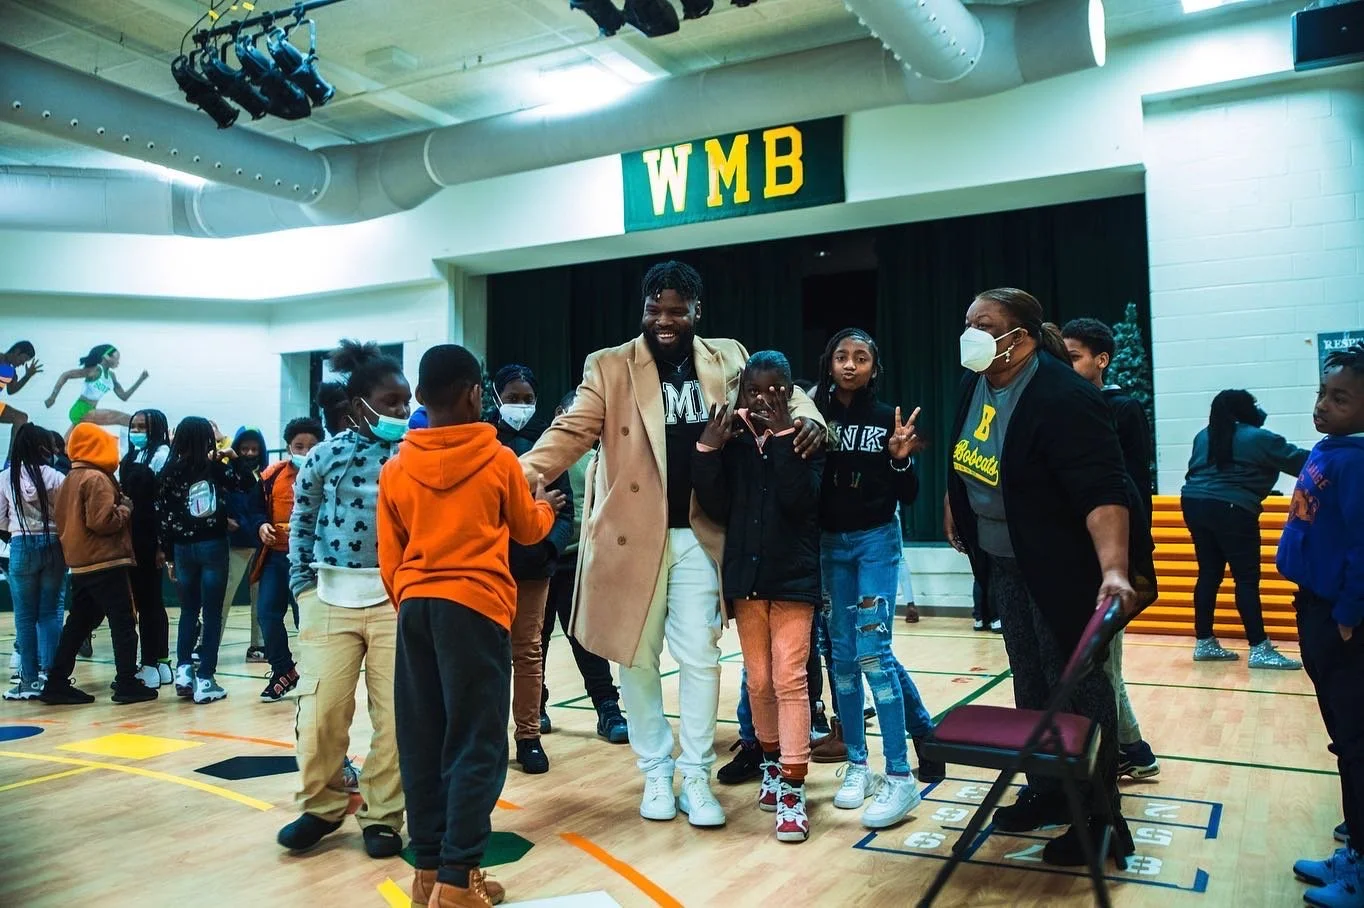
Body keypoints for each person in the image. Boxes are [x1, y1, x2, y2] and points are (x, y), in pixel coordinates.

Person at [520, 260, 824, 828]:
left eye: (677, 310)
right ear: (643, 311)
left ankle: (696, 775)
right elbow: (570, 432)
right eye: (654, 309)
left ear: (696, 312)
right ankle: (657, 771)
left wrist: (811, 418)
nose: (665, 320)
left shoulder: (727, 355)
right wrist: (512, 475)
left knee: (701, 659)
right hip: (632, 538)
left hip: (701, 535)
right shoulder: (608, 366)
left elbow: (784, 389)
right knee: (636, 658)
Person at [945, 287, 1153, 867]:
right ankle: (1048, 793)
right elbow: (969, 453)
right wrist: (953, 499)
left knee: (1080, 689)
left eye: (984, 325)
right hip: (1007, 563)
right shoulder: (976, 381)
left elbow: (1105, 490)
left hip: (1063, 569)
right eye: (969, 323)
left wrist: (1113, 570)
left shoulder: (1063, 397)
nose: (971, 334)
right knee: (1032, 682)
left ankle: (1101, 818)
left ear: (1022, 336)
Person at [379, 343, 563, 908]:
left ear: (418, 397)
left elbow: (390, 557)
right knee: (477, 743)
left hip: (415, 609)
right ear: (473, 394)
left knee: (423, 741)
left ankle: (429, 875)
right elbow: (528, 531)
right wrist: (547, 506)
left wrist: (414, 598)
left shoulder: (397, 468)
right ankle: (460, 880)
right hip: (476, 608)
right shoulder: (498, 460)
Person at [277, 340, 408, 860]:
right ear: (359, 406)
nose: (402, 411)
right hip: (328, 599)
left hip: (394, 603)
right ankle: (322, 806)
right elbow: (301, 524)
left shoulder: (413, 456)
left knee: (396, 719)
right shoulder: (322, 459)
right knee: (320, 713)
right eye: (392, 401)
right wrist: (302, 587)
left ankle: (382, 817)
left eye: (407, 401)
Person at [692, 350, 825, 844]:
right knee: (760, 679)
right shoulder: (734, 441)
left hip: (793, 580)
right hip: (746, 581)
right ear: (741, 393)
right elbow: (716, 503)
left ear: (790, 392)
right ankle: (770, 763)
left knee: (790, 677)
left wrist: (787, 436)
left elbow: (799, 499)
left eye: (776, 390)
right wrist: (708, 447)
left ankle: (793, 788)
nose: (765, 398)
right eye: (754, 390)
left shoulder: (808, 438)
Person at [813, 327, 939, 828]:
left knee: (873, 652)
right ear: (829, 363)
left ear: (873, 367)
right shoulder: (814, 417)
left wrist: (899, 459)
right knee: (840, 656)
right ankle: (859, 766)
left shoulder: (886, 417)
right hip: (829, 545)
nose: (849, 365)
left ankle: (901, 775)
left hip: (875, 543)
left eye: (860, 358)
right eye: (841, 356)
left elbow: (908, 494)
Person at [1280, 343, 1364, 908]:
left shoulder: (1358, 463)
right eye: (1322, 394)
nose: (1323, 406)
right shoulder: (1328, 449)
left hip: (1342, 620)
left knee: (1358, 742)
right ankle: (1354, 847)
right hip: (1311, 605)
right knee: (1344, 739)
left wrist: (1348, 615)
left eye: (1340, 398)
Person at [1062, 318, 1160, 779]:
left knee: (1104, 665)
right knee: (1093, 664)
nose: (1066, 364)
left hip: (1111, 559)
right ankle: (1127, 748)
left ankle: (1131, 752)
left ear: (1101, 360)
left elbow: (1132, 488)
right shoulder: (1062, 404)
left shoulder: (1122, 409)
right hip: (1076, 556)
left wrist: (1127, 558)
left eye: (1075, 355)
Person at [1181, 389, 1308, 668]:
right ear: (1244, 409)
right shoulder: (1259, 437)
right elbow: (1303, 463)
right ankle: (1259, 648)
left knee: (1209, 574)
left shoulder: (1203, 435)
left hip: (1193, 504)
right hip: (1232, 509)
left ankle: (1204, 642)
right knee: (1246, 579)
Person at [491, 364, 575, 775]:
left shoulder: (549, 441)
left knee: (528, 653)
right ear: (493, 394)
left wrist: (543, 543)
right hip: (490, 568)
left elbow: (565, 511)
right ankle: (488, 738)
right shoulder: (483, 440)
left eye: (527, 398)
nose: (520, 405)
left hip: (535, 567)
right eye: (512, 396)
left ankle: (528, 736)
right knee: (490, 656)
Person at [538, 389, 628, 745]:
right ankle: (535, 707)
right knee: (536, 641)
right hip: (543, 560)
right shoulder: (543, 455)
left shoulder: (600, 457)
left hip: (580, 562)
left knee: (585, 640)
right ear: (560, 412)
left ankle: (608, 709)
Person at [41, 424, 154, 705]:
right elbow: (102, 522)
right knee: (123, 621)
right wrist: (126, 507)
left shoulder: (71, 477)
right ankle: (127, 682)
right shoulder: (96, 478)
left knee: (78, 623)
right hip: (105, 560)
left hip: (80, 563)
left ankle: (56, 682)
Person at [157, 416, 253, 704]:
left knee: (188, 611)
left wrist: (170, 557)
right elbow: (247, 484)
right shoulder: (213, 469)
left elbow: (164, 518)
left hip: (183, 549)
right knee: (211, 614)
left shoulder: (168, 472)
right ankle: (206, 679)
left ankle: (184, 670)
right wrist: (233, 457)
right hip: (212, 545)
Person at [251, 417, 323, 702]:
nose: (305, 452)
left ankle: (318, 675)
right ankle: (283, 670)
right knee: (267, 614)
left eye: (312, 446)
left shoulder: (328, 473)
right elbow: (255, 510)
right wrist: (261, 526)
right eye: (299, 446)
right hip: (276, 558)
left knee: (305, 619)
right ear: (288, 447)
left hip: (309, 560)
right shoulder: (271, 476)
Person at [1, 423, 66, 700]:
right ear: (43, 447)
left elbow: (1, 519)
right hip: (54, 545)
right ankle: (51, 674)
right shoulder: (56, 476)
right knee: (50, 613)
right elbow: (66, 515)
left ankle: (28, 681)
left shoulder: (5, 478)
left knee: (25, 617)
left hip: (21, 545)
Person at [120, 409, 172, 689]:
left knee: (150, 602)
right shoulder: (130, 457)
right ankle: (160, 661)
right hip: (132, 534)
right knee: (146, 601)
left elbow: (162, 503)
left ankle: (152, 662)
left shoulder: (163, 455)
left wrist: (161, 545)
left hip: (150, 536)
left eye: (143, 427)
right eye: (134, 426)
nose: (137, 431)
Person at [225, 426, 269, 663]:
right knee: (224, 596)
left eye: (254, 449)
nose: (250, 453)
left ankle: (259, 645)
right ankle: (205, 645)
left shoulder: (268, 474)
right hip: (235, 543)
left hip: (261, 543)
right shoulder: (227, 473)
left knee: (260, 598)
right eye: (244, 448)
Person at [45, 345, 148, 432]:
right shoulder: (95, 370)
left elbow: (124, 396)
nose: (118, 361)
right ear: (106, 357)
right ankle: (150, 432)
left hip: (90, 411)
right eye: (116, 358)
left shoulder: (112, 376)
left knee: (66, 446)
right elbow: (66, 375)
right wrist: (53, 396)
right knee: (122, 418)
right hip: (81, 410)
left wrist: (140, 380)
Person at [0, 340, 42, 427]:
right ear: (17, 352)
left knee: (20, 418)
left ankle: (17, 441)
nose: (23, 364)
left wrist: (27, 376)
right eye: (24, 359)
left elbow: (11, 390)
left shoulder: (10, 371)